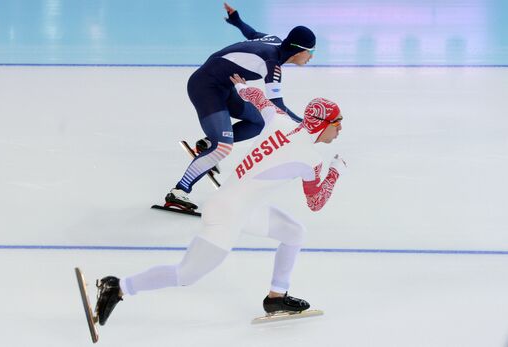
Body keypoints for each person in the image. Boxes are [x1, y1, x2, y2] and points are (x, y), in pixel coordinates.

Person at [93, 74, 346, 326]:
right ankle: (117, 287)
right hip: (228, 215)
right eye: (338, 122)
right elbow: (316, 203)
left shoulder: (279, 119)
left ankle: (276, 297)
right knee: (186, 274)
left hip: (243, 207)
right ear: (323, 125)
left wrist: (241, 86)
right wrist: (335, 172)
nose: (340, 129)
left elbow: (258, 98)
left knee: (293, 232)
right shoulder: (311, 159)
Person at [165, 3, 317, 211]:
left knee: (259, 120)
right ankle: (179, 192)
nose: (312, 57)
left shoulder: (275, 41)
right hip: (206, 87)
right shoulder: (271, 64)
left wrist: (237, 20)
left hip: (224, 86)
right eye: (311, 51)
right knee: (223, 147)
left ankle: (207, 144)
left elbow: (252, 33)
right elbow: (276, 107)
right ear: (299, 50)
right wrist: (304, 124)